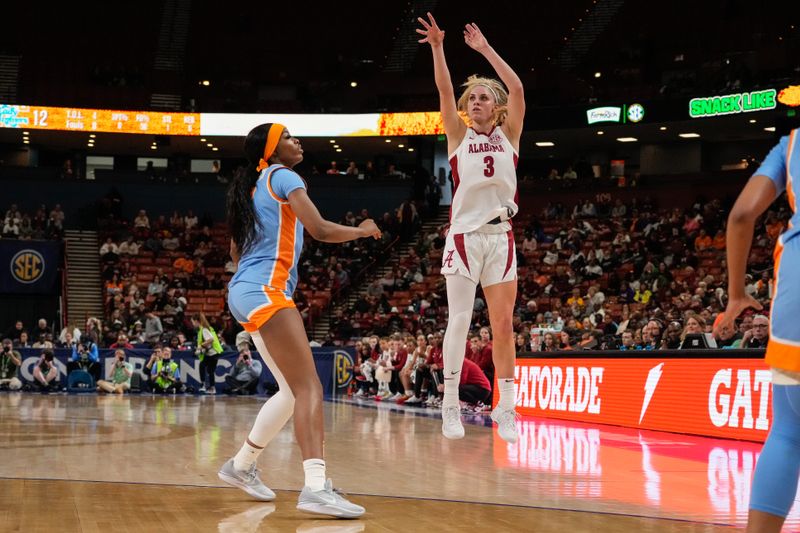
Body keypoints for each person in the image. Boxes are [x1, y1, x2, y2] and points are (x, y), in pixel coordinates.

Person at [218, 122, 379, 517]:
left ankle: (240, 466)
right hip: (266, 292)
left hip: (243, 292)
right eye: (288, 137)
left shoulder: (250, 189)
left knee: (291, 393)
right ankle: (316, 487)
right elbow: (320, 229)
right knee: (309, 389)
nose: (297, 141)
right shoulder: (284, 175)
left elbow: (236, 254)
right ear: (273, 150)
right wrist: (361, 231)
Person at [416, 13, 524, 442]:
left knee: (503, 325)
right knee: (459, 320)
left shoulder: (509, 134)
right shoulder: (458, 135)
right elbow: (444, 89)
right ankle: (449, 406)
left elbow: (515, 88)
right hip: (463, 236)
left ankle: (507, 408)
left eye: (482, 97)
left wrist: (483, 50)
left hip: (501, 237)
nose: (476, 101)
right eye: (472, 98)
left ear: (494, 106)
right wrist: (439, 48)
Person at [715, 128, 800, 533]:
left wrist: (736, 294)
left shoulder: (794, 143)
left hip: (794, 305)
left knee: (787, 432)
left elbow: (741, 215)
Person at [192, 313, 223, 394]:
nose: (192, 324)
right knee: (204, 367)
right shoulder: (202, 329)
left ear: (196, 321)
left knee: (209, 369)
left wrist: (200, 346)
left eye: (192, 322)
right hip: (210, 353)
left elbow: (210, 340)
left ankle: (209, 387)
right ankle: (209, 387)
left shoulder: (204, 329)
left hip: (213, 353)